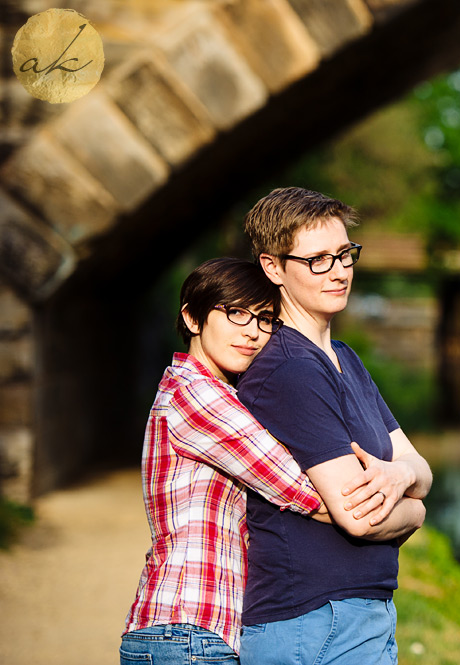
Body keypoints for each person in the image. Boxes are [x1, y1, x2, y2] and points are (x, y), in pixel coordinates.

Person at [237, 187, 432, 665]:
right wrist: (419, 512)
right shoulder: (289, 368)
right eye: (319, 259)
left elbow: (419, 466)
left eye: (345, 254)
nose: (340, 271)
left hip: (354, 619)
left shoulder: (345, 358)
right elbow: (360, 519)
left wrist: (400, 477)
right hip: (314, 624)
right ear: (273, 267)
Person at [121, 258, 330, 664]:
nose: (252, 331)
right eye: (236, 312)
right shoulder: (196, 394)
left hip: (189, 635)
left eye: (265, 318)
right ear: (192, 317)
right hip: (188, 633)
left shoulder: (212, 393)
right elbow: (298, 487)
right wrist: (384, 505)